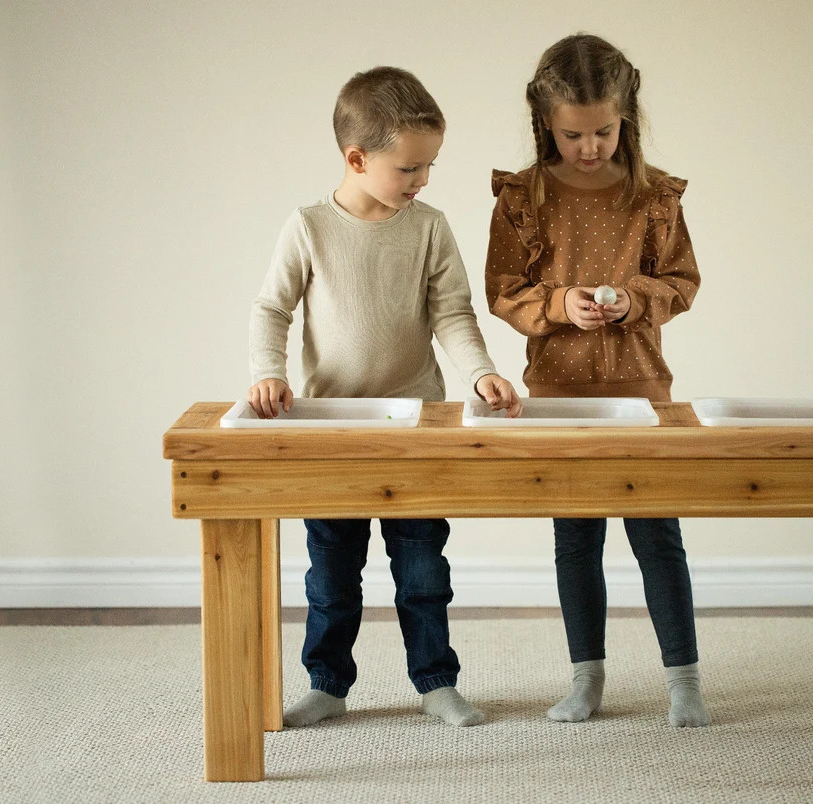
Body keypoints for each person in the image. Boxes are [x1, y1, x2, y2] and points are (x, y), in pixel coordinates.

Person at [249, 66, 521, 728]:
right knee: (331, 579)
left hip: (416, 425)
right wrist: (267, 371)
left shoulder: (428, 227)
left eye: (429, 166)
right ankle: (327, 684)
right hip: (331, 430)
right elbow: (272, 309)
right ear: (356, 157)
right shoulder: (308, 227)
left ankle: (435, 682)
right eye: (409, 168)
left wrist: (479, 372)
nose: (422, 180)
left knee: (424, 570)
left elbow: (453, 313)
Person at [485, 34, 711, 728]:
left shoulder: (654, 197)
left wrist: (633, 297)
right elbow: (502, 289)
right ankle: (586, 677)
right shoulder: (524, 199)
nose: (589, 146)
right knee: (575, 540)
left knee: (657, 538)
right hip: (558, 397)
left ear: (627, 118)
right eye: (573, 133)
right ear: (545, 124)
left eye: (603, 132)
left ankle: (685, 680)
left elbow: (683, 281)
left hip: (642, 391)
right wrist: (559, 304)